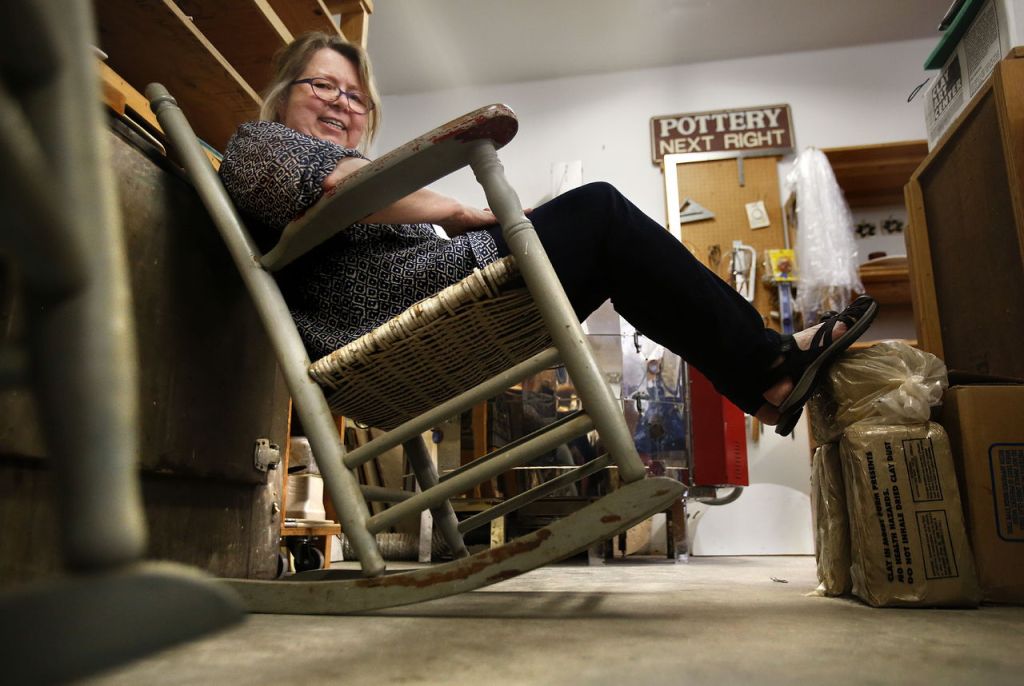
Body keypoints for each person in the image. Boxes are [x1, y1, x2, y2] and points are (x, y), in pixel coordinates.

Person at [219, 32, 877, 437]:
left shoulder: (369, 180)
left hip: (431, 313)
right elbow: (336, 186)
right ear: (281, 97)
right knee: (597, 212)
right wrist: (455, 211)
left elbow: (355, 186)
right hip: (386, 325)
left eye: (356, 97)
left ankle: (763, 381)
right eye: (322, 86)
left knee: (612, 249)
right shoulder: (258, 144)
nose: (342, 102)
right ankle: (765, 368)